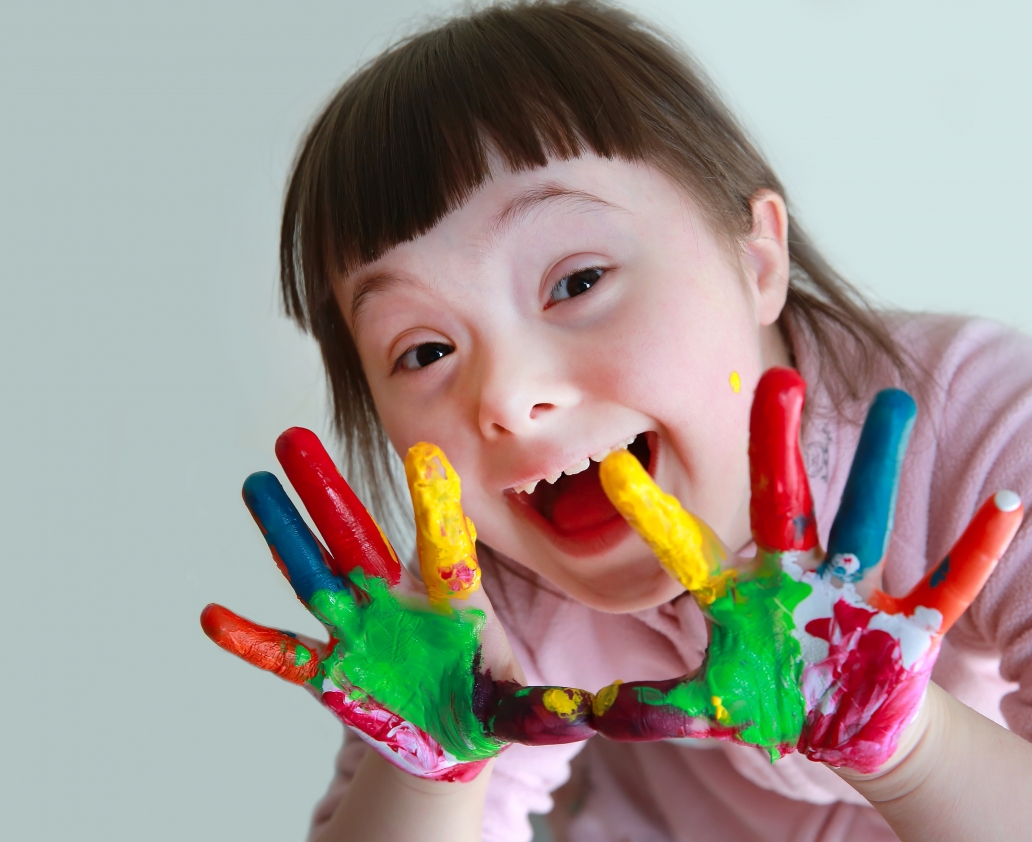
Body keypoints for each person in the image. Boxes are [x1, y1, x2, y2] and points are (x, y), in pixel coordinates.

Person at [231, 2, 1032, 839]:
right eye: (426, 352)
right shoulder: (486, 605)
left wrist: (910, 747)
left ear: (755, 258)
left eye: (577, 282)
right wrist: (433, 776)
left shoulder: (981, 427)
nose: (505, 397)